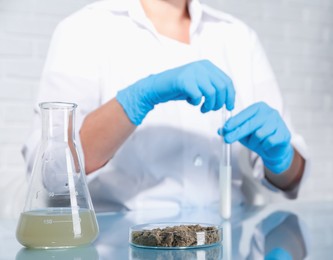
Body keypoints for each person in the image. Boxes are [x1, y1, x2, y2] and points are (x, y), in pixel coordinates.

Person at [22, 0, 308, 212]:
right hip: (121, 245)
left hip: (226, 241)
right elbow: (51, 173)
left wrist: (281, 157)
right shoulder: (84, 29)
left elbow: (291, 177)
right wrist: (139, 97)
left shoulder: (238, 38)